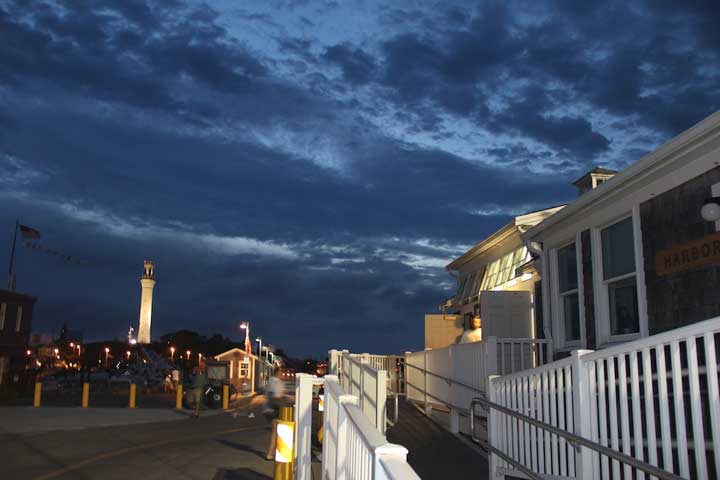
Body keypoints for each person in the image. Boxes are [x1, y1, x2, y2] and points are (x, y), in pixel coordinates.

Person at [264, 369, 288, 460]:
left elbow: (268, 395)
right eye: (282, 373)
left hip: (266, 409)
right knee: (276, 432)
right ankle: (271, 453)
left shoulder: (270, 382)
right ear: (278, 373)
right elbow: (276, 398)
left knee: (275, 431)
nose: (284, 375)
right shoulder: (278, 383)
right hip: (274, 409)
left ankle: (273, 452)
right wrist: (284, 404)